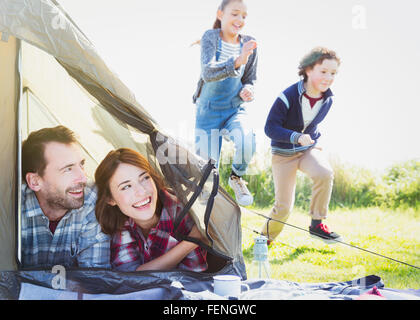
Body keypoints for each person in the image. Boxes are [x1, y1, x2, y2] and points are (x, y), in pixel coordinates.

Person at [261, 47, 342, 244]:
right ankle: (264, 240)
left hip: (307, 150)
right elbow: (270, 128)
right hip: (283, 155)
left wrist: (312, 142)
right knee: (284, 207)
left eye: (333, 73)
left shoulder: (328, 99)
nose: (328, 77)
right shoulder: (287, 96)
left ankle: (317, 224)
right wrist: (295, 137)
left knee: (324, 173)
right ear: (308, 70)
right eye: (323, 71)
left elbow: (312, 125)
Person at [94, 148, 208, 272]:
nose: (141, 192)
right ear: (110, 199)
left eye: (144, 178)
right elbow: (128, 277)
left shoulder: (181, 212)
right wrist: (190, 242)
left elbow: (194, 277)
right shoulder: (120, 221)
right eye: (126, 186)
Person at [193, 0, 258, 206]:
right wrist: (238, 60)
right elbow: (208, 72)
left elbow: (250, 79)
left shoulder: (249, 43)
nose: (240, 20)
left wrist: (249, 89)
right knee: (207, 174)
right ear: (220, 14)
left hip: (234, 110)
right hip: (208, 113)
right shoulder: (210, 37)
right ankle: (208, 221)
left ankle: (236, 177)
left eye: (244, 16)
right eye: (235, 14)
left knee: (247, 140)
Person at [21, 126, 111, 269]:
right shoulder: (12, 208)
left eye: (81, 165)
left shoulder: (91, 199)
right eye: (68, 169)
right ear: (35, 181)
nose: (83, 177)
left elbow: (94, 278)